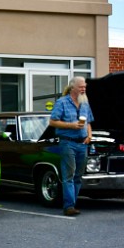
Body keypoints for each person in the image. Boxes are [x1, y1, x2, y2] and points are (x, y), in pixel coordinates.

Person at [48, 76, 93, 216]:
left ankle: (72, 202)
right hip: (68, 142)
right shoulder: (62, 102)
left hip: (82, 143)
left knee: (78, 176)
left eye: (85, 87)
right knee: (69, 175)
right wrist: (71, 125)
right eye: (81, 87)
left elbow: (89, 122)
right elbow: (52, 122)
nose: (83, 89)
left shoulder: (85, 103)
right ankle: (69, 206)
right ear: (73, 87)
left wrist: (89, 135)